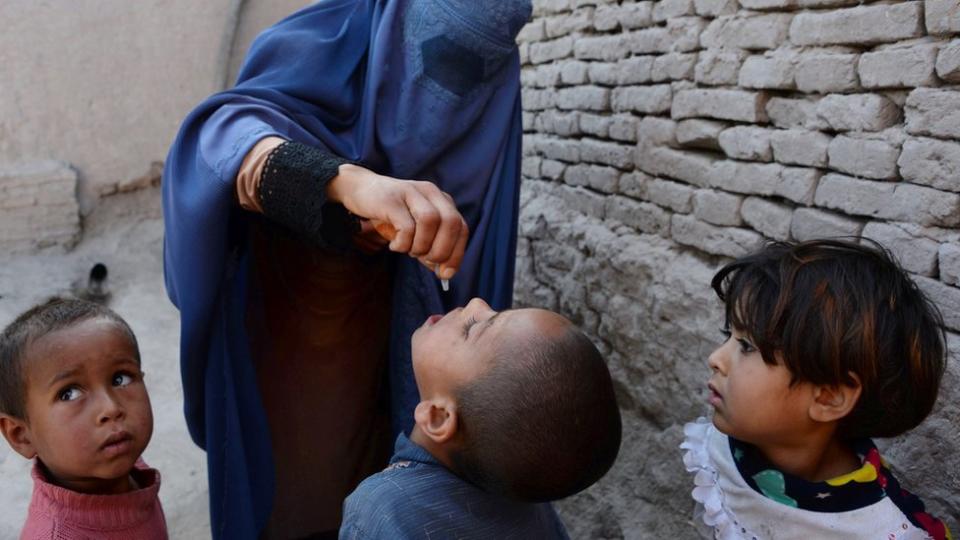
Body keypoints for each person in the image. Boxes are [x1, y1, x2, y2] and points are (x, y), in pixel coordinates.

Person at [162, 0, 532, 537]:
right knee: (292, 490)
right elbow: (221, 141)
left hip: (406, 346)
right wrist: (351, 184)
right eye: (436, 57)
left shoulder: (487, 125)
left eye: (470, 69)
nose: (446, 89)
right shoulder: (332, 40)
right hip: (299, 343)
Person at [681, 239, 951, 540]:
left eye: (746, 345)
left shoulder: (881, 529)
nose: (715, 359)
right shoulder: (719, 454)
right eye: (728, 334)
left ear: (829, 397)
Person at [339, 297, 622, 539]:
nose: (477, 303)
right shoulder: (527, 502)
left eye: (472, 328)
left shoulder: (383, 508)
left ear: (438, 418)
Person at [0, 299, 167, 539]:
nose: (111, 408)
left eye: (120, 378)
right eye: (69, 394)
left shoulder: (133, 469)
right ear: (20, 435)